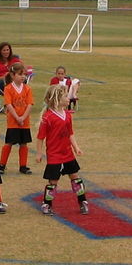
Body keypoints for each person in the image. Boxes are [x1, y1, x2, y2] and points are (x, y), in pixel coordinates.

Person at [36, 83, 88, 216]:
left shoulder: (68, 115)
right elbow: (40, 137)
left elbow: (70, 133)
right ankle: (47, 204)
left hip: (68, 154)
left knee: (75, 178)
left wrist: (76, 147)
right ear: (57, 99)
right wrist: (39, 153)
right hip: (54, 155)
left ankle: (82, 202)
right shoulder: (47, 118)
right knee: (53, 181)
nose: (68, 98)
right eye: (65, 96)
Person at [0, 64, 35, 174]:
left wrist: (23, 117)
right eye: (20, 74)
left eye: (24, 74)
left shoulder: (27, 89)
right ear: (12, 75)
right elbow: (8, 105)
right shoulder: (8, 88)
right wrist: (17, 117)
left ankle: (23, 166)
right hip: (13, 122)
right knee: (9, 143)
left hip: (25, 122)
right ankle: (1, 165)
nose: (23, 76)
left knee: (24, 143)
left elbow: (30, 104)